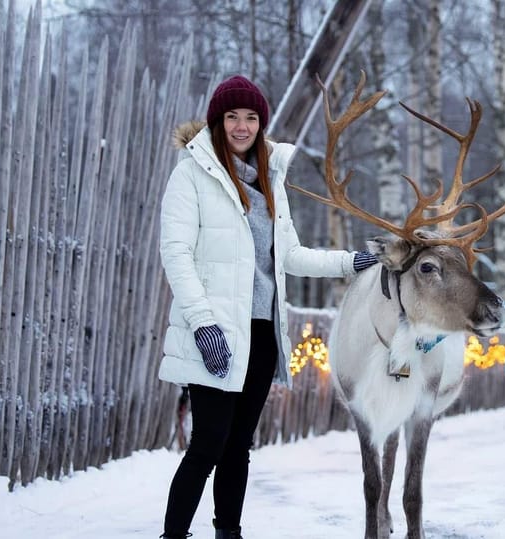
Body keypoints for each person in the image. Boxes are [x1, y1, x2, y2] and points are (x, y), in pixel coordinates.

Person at [157, 75, 377, 539]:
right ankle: (173, 535)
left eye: (251, 118)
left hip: (260, 332)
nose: (242, 126)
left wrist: (350, 262)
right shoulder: (192, 174)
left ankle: (228, 532)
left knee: (239, 445)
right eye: (233, 117)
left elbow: (290, 254)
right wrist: (202, 324)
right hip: (214, 331)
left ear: (261, 124)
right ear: (218, 122)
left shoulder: (270, 180)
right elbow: (176, 255)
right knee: (208, 444)